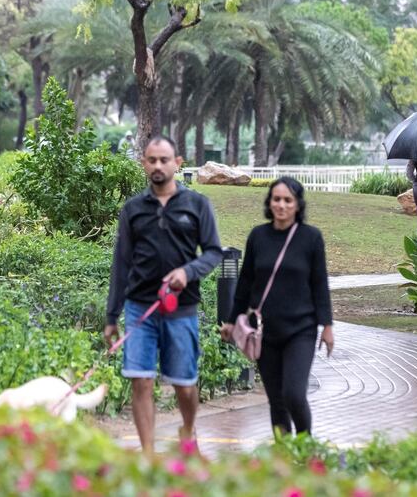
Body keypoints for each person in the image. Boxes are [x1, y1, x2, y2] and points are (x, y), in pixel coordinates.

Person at [104, 134, 222, 455]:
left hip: (181, 309)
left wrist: (188, 272)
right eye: (152, 160)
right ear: (144, 163)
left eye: (164, 160)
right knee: (140, 381)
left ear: (177, 164)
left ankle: (187, 431)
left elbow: (213, 252)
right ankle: (149, 456)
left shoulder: (197, 205)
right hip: (139, 309)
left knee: (184, 384)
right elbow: (122, 262)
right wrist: (111, 315)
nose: (158, 165)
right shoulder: (133, 209)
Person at [220, 177, 334, 437]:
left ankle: (304, 447)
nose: (281, 205)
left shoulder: (311, 238)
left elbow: (319, 284)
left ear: (297, 205)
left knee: (293, 393)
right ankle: (283, 457)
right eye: (277, 199)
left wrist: (327, 326)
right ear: (269, 202)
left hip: (300, 330)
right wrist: (231, 319)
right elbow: (246, 282)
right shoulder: (258, 236)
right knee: (277, 402)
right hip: (265, 332)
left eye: (288, 200)